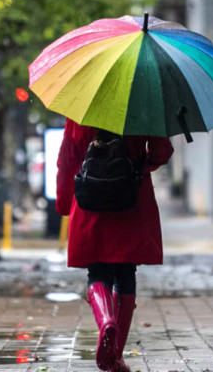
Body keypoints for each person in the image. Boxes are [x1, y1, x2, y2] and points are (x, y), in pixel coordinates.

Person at [56, 119, 174, 372]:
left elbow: (67, 157)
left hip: (90, 198)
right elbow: (162, 152)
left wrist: (65, 201)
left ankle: (106, 320)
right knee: (125, 273)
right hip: (130, 197)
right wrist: (144, 162)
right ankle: (115, 356)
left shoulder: (80, 110)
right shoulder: (141, 106)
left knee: (97, 271)